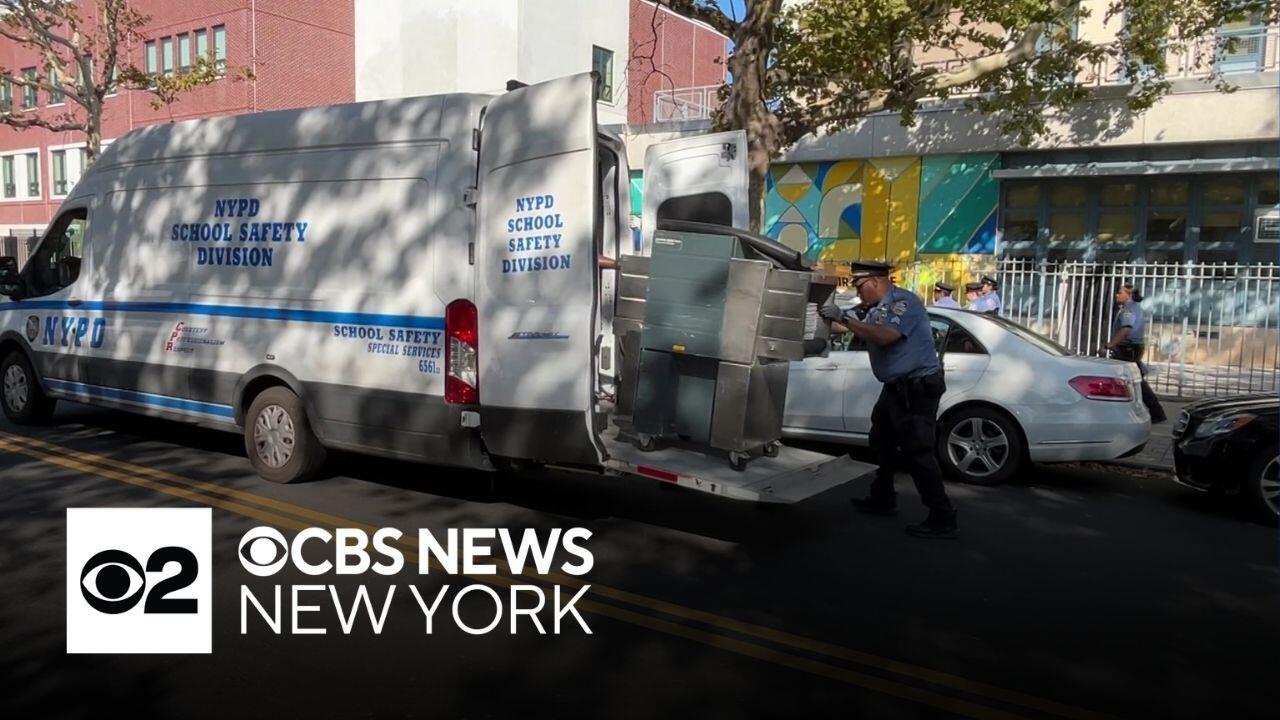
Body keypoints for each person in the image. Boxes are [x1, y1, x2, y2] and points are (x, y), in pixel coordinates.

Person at [820, 261, 958, 539]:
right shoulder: (871, 308)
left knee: (918, 451)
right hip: (895, 388)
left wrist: (843, 318)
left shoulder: (903, 303)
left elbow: (886, 337)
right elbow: (843, 327)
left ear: (874, 281)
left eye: (860, 286)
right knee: (881, 441)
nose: (858, 292)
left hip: (917, 388)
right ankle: (883, 497)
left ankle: (942, 516)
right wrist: (822, 316)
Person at [1105, 282, 1167, 423]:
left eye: (1120, 292)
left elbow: (1126, 329)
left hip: (1128, 349)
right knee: (1131, 380)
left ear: (1129, 295)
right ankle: (1153, 412)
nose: (1117, 295)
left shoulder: (1129, 310)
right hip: (1132, 348)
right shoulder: (1133, 308)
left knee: (1135, 381)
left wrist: (1111, 344)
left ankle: (1156, 413)